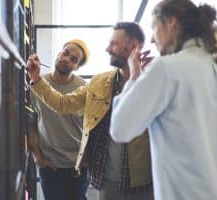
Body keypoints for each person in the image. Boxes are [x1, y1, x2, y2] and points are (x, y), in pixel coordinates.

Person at [110, 1, 217, 200]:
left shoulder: (166, 68)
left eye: (154, 27)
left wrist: (134, 78)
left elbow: (120, 128)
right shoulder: (216, 66)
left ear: (171, 22)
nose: (152, 39)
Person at [27, 22, 154, 200]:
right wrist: (36, 79)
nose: (107, 49)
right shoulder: (100, 82)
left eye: (114, 44)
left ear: (133, 46)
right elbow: (63, 103)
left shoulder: (154, 80)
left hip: (143, 181)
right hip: (107, 179)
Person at [27, 39, 90, 200]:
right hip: (50, 165)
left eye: (74, 59)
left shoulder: (83, 88)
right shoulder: (36, 84)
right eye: (65, 52)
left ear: (77, 67)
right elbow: (32, 122)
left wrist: (87, 159)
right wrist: (37, 156)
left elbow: (91, 126)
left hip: (78, 166)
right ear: (58, 53)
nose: (66, 58)